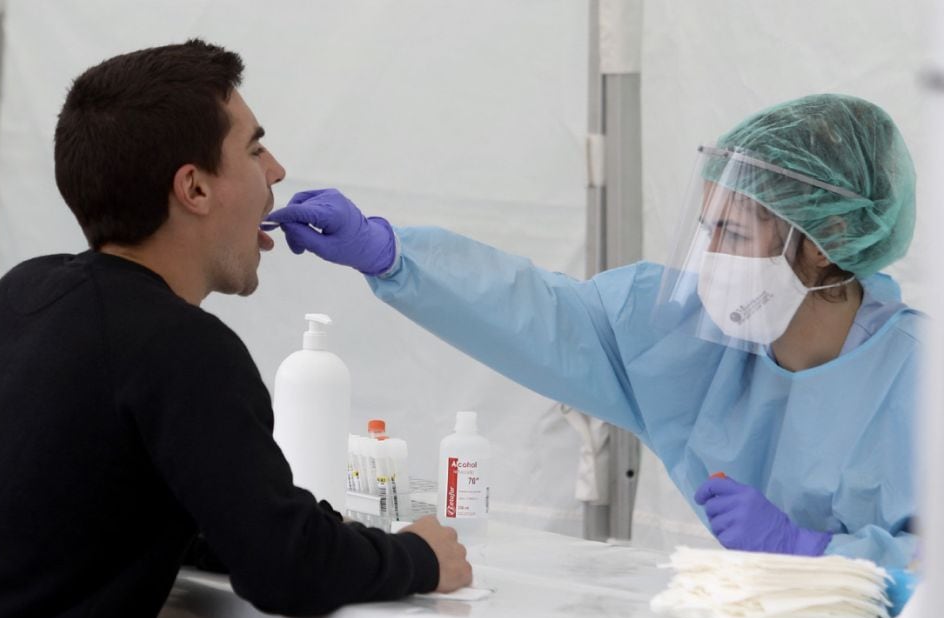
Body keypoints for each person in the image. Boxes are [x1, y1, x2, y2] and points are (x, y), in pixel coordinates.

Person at [0, 40, 470, 618]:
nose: (277, 169)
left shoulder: (22, 295)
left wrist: (273, 525)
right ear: (195, 187)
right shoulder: (183, 347)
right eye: (255, 148)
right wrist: (416, 554)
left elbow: (130, 496)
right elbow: (285, 568)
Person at [266, 94, 919, 569]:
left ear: (829, 241)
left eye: (734, 232)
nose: (710, 258)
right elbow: (542, 319)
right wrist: (395, 256)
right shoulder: (689, 334)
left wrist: (822, 552)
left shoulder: (918, 377)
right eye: (707, 228)